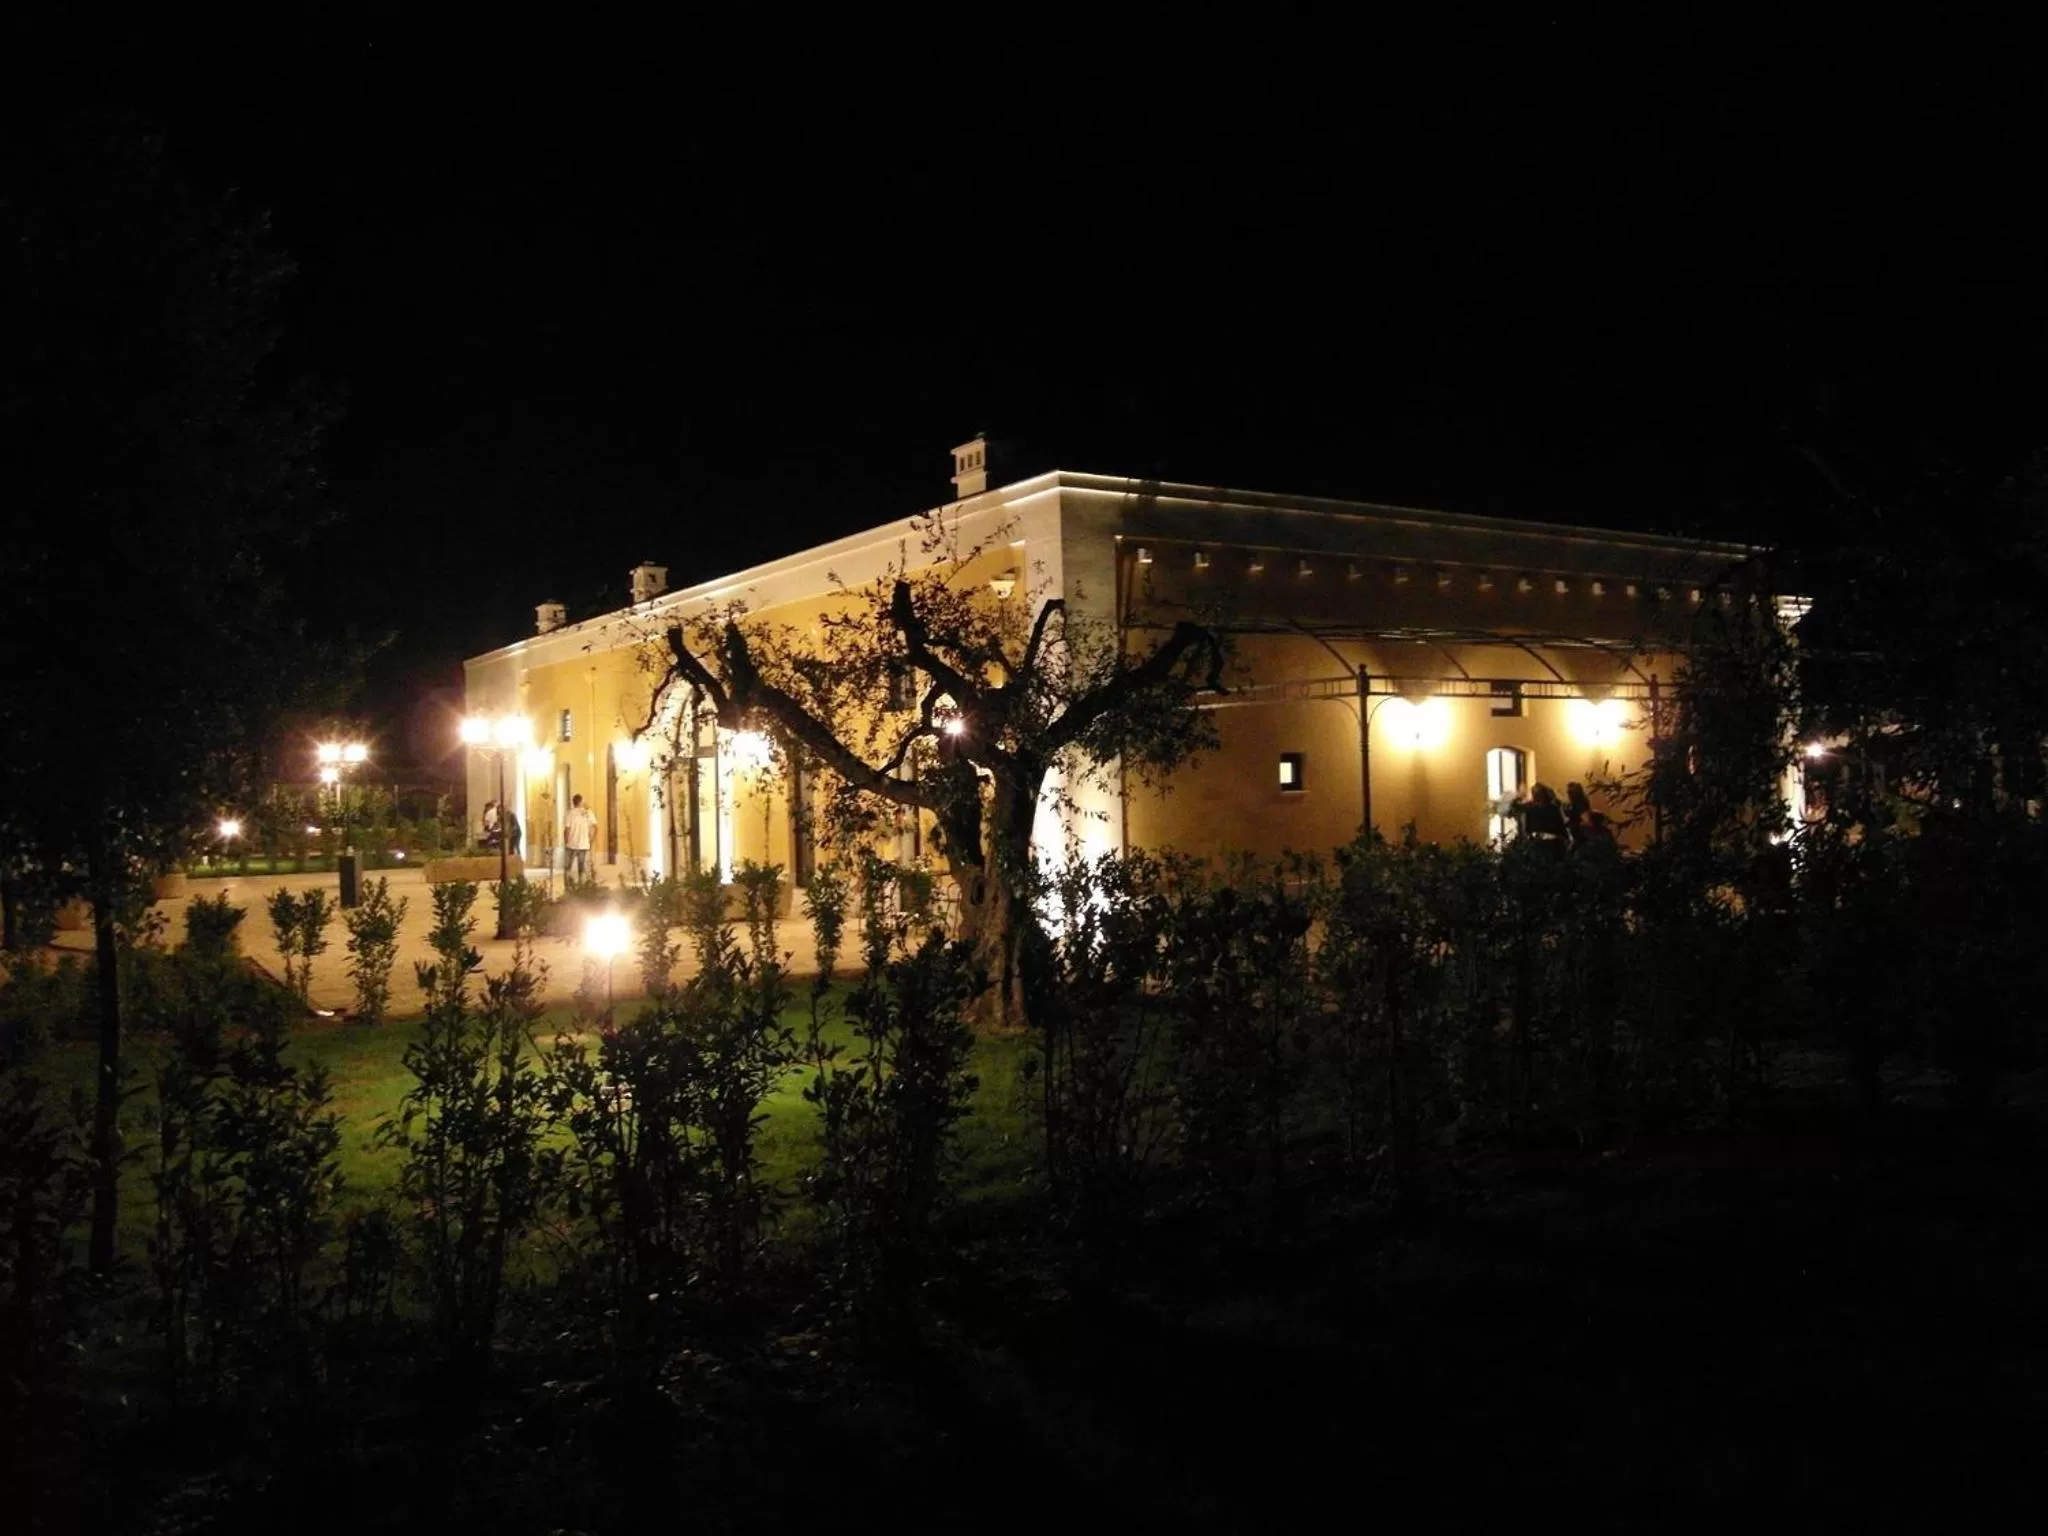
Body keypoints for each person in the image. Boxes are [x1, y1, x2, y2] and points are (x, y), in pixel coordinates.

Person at [563, 792, 597, 879]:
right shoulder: (588, 813)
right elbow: (596, 827)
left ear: (573, 802)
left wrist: (566, 841)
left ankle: (567, 885)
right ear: (581, 802)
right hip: (583, 844)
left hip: (571, 844)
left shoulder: (569, 813)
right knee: (581, 867)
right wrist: (592, 839)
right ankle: (581, 885)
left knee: (568, 867)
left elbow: (567, 829)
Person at [1564, 782, 1593, 846]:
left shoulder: (1581, 803)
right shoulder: (1572, 804)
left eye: (1571, 792)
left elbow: (1584, 818)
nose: (1569, 795)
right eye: (1568, 792)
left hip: (1580, 834)